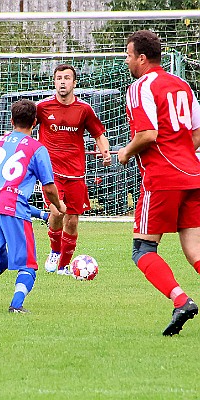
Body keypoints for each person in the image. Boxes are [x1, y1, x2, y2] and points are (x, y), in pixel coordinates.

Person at [118, 30, 200, 336]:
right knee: (195, 250)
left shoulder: (140, 87)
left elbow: (148, 134)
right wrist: (182, 155)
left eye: (128, 56)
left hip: (163, 178)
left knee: (143, 249)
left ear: (141, 58)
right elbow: (197, 131)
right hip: (193, 175)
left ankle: (181, 301)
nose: (127, 61)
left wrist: (125, 152)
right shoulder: (182, 85)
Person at [0, 99, 66, 313]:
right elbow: (48, 187)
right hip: (12, 206)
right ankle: (16, 306)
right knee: (28, 265)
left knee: (0, 261)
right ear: (35, 123)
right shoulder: (37, 149)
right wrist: (59, 206)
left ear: (11, 121)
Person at [36, 64, 111, 275]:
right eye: (59, 78)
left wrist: (105, 152)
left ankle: (63, 265)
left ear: (74, 83)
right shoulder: (42, 108)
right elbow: (25, 127)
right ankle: (53, 251)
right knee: (56, 211)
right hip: (51, 173)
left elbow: (98, 133)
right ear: (54, 81)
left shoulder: (84, 109)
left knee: (72, 219)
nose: (62, 81)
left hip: (76, 173)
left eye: (66, 78)